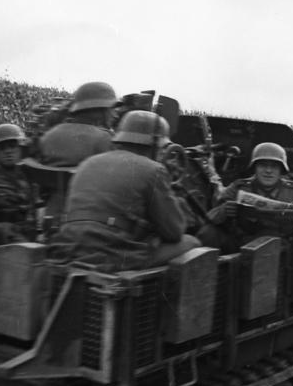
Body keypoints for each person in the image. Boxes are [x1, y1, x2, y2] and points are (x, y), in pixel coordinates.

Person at [48, 111, 200, 271]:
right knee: (192, 243)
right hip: (111, 256)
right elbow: (174, 232)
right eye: (162, 148)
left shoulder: (87, 163)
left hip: (67, 248)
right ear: (154, 144)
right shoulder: (154, 170)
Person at [197, 142, 293, 252]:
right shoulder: (239, 187)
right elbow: (210, 216)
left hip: (282, 250)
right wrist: (224, 211)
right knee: (208, 233)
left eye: (274, 166)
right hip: (242, 245)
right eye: (263, 165)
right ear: (255, 168)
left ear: (281, 170)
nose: (268, 171)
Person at [38, 81, 116, 167]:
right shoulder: (104, 139)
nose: (114, 115)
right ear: (100, 110)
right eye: (111, 109)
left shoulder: (49, 134)